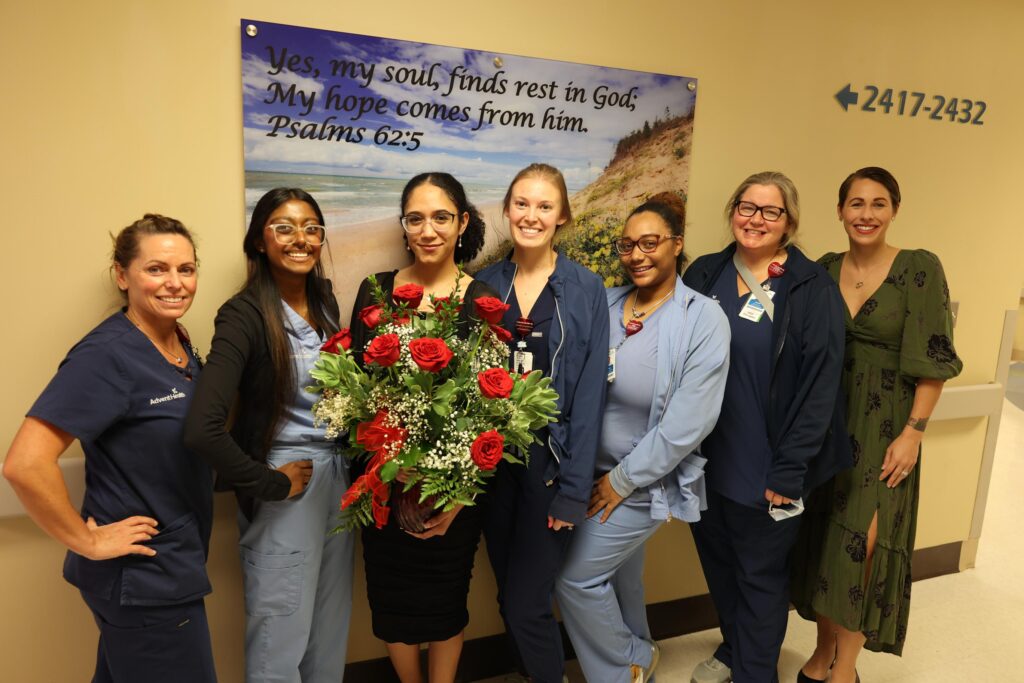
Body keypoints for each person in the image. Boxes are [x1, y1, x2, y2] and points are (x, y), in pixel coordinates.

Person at [3, 215, 215, 682]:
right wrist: (89, 540)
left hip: (168, 566)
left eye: (186, 268)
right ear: (122, 275)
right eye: (156, 269)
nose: (175, 283)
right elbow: (24, 463)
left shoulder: (177, 343)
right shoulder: (107, 355)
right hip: (146, 579)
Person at [790, 167, 962, 683]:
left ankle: (846, 667)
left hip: (888, 427)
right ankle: (822, 656)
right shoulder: (821, 270)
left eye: (878, 204)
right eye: (856, 203)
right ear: (840, 211)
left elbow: (935, 360)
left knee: (863, 545)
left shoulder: (919, 269)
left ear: (893, 211)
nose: (866, 214)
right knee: (823, 541)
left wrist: (914, 432)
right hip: (826, 423)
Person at [682, 171, 852, 683]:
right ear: (732, 211)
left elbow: (822, 387)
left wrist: (789, 470)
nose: (755, 219)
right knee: (720, 566)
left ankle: (757, 673)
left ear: (789, 222)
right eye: (746, 207)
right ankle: (736, 650)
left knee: (759, 577)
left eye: (770, 211)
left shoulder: (809, 287)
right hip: (705, 460)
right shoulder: (705, 274)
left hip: (768, 465)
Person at [555, 193, 730, 683]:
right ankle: (640, 653)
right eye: (627, 245)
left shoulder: (701, 318)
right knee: (621, 574)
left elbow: (689, 423)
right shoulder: (606, 302)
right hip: (586, 471)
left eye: (650, 243)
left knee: (576, 579)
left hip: (638, 480)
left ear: (676, 244)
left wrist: (622, 481)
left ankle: (624, 663)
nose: (637, 255)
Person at [183, 188, 353, 682]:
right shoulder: (244, 315)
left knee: (327, 633)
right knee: (279, 638)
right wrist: (269, 483)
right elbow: (202, 429)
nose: (300, 238)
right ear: (259, 240)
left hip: (337, 483)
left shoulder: (324, 303)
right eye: (283, 227)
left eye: (311, 228)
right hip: (289, 485)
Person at [347, 172, 494, 683]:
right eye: (415, 218)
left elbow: (493, 407)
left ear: (462, 224)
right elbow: (358, 392)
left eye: (441, 217)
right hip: (385, 484)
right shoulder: (376, 292)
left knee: (447, 599)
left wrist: (455, 495)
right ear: (403, 225)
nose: (428, 230)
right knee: (391, 601)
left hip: (455, 493)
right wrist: (386, 474)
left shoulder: (483, 299)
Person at [476, 163, 610, 683]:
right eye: (522, 204)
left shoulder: (584, 288)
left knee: (528, 601)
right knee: (508, 593)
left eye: (544, 206)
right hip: (492, 464)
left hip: (549, 468)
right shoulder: (486, 283)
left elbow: (591, 391)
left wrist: (575, 489)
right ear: (508, 210)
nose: (531, 216)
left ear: (562, 217)